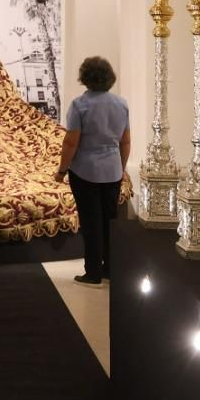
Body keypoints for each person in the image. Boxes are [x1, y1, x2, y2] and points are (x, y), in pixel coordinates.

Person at [55, 56, 129, 286]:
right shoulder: (121, 104)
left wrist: (62, 169)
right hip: (113, 171)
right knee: (109, 221)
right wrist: (122, 167)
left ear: (85, 77)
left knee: (91, 222)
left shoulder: (80, 105)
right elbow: (125, 142)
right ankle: (110, 268)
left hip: (86, 171)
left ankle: (93, 272)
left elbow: (71, 142)